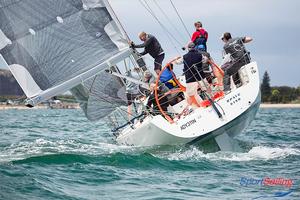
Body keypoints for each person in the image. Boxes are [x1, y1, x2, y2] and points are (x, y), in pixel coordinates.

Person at [183, 42, 207, 108]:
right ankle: (211, 100)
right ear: (195, 47)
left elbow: (177, 62)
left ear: (188, 48)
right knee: (206, 89)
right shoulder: (200, 55)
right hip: (201, 76)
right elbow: (205, 60)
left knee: (191, 94)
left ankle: (201, 105)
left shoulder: (184, 57)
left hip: (190, 79)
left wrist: (175, 59)